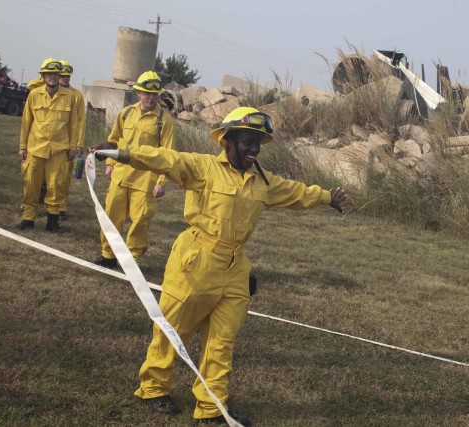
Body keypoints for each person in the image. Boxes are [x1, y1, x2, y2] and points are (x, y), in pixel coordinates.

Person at [90, 106, 347, 425]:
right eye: (247, 140)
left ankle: (211, 407)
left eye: (258, 142)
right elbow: (164, 158)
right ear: (228, 141)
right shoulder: (203, 167)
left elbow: (294, 192)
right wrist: (119, 152)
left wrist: (325, 197)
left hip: (235, 267)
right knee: (174, 329)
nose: (254, 148)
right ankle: (154, 387)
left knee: (222, 341)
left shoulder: (262, 181)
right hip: (195, 261)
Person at [94, 71, 174, 268]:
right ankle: (108, 255)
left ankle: (132, 261)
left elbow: (168, 155)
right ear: (138, 93)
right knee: (112, 216)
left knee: (140, 222)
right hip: (121, 177)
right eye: (146, 93)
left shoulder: (164, 121)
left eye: (154, 94)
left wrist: (162, 182)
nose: (150, 97)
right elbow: (113, 141)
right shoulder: (126, 113)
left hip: (146, 181)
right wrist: (110, 165)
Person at [18, 58, 78, 232]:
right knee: (31, 184)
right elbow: (26, 122)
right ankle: (28, 218)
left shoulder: (70, 97)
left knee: (56, 185)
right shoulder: (34, 95)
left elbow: (73, 124)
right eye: (49, 74)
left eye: (56, 74)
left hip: (59, 149)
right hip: (36, 148)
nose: (53, 77)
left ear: (60, 75)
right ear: (43, 76)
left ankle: (53, 222)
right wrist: (23, 147)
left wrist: (73, 147)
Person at [57, 59, 86, 219]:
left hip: (68, 143)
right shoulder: (48, 91)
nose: (65, 79)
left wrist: (79, 143)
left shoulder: (76, 95)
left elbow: (81, 120)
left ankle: (61, 207)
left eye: (67, 76)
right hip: (49, 142)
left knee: (64, 176)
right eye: (62, 76)